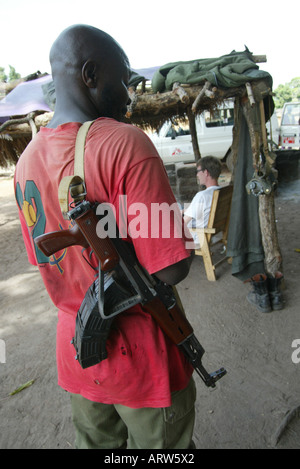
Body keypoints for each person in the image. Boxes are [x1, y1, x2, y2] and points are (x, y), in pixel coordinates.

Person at [14, 25, 196, 450]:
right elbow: (171, 269)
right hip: (141, 356)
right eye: (123, 81)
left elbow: (47, 262)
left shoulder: (25, 163)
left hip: (80, 353)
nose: (129, 96)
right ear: (91, 74)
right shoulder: (126, 144)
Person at [183, 156, 222, 246]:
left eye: (198, 172)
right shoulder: (221, 191)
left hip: (198, 237)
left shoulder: (202, 196)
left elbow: (184, 222)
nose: (197, 175)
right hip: (215, 234)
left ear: (206, 172)